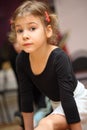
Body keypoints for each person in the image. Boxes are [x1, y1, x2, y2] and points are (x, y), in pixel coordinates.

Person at [8, 1, 87, 130]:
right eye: (20, 30)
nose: (25, 35)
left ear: (48, 31)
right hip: (56, 105)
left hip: (78, 101)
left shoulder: (59, 57)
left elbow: (68, 101)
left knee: (45, 124)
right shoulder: (21, 60)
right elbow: (26, 98)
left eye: (32, 28)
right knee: (40, 124)